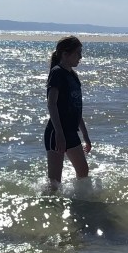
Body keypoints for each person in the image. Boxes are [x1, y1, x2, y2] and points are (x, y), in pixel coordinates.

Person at [44, 36, 92, 188]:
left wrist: (85, 135)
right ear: (65, 54)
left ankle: (78, 200)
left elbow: (76, 107)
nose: (80, 57)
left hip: (71, 132)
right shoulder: (57, 73)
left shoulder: (73, 75)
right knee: (55, 182)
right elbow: (51, 104)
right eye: (78, 53)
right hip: (56, 132)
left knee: (83, 172)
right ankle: (50, 202)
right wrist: (59, 133)